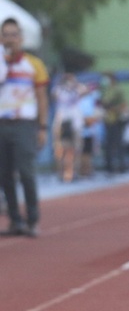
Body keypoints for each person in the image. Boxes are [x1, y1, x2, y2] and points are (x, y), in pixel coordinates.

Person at [0, 18, 49, 238]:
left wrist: (42, 127)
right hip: (2, 123)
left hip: (24, 125)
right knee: (4, 175)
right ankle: (14, 220)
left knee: (26, 172)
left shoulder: (33, 64)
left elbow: (41, 97)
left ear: (21, 38)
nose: (9, 38)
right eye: (5, 34)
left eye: (13, 34)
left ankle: (32, 219)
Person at [51, 72, 87, 182]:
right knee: (60, 149)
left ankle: (73, 172)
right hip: (61, 123)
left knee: (76, 149)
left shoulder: (77, 89)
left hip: (75, 124)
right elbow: (54, 95)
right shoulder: (58, 89)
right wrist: (63, 85)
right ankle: (61, 173)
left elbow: (85, 90)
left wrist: (74, 84)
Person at [101, 73, 128, 174]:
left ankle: (121, 166)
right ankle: (109, 167)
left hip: (116, 120)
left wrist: (113, 108)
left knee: (117, 143)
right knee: (109, 145)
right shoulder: (106, 90)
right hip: (108, 119)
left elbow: (123, 104)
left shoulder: (117, 90)